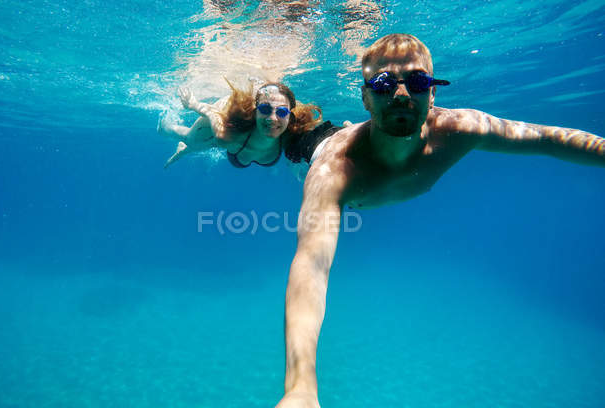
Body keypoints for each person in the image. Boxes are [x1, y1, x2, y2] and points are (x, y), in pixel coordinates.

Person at [275, 33, 605, 408]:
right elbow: (311, 266)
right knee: (282, 147)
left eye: (416, 82)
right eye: (383, 84)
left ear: (433, 94)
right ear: (365, 97)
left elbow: (547, 138)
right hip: (316, 150)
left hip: (362, 148)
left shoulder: (461, 129)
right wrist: (300, 388)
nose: (401, 95)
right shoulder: (334, 172)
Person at [158, 80, 322, 167]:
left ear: (290, 117)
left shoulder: (290, 136)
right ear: (255, 111)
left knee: (196, 146)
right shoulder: (227, 136)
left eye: (281, 112)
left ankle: (185, 150)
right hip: (223, 118)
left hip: (238, 148)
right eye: (265, 109)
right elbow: (211, 113)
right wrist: (194, 105)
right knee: (189, 139)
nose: (273, 118)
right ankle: (164, 128)